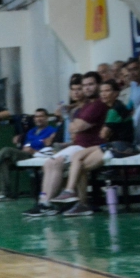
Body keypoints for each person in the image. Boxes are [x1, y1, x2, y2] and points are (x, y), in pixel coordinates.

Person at [25, 72, 108, 217]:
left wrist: (75, 124)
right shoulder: (84, 107)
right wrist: (74, 125)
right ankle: (44, 201)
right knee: (48, 163)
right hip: (77, 145)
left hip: (87, 147)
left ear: (98, 85)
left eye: (91, 84)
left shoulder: (98, 105)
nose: (87, 88)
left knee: (56, 162)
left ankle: (48, 203)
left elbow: (77, 127)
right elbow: (73, 128)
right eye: (85, 85)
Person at [45, 80, 129, 216]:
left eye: (107, 91)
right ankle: (80, 202)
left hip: (120, 146)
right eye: (102, 91)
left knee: (79, 162)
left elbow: (104, 134)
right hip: (109, 145)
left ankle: (71, 193)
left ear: (116, 93)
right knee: (79, 162)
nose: (103, 94)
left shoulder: (115, 109)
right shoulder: (109, 108)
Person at [0, 108, 56, 201]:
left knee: (6, 150)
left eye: (41, 116)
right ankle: (5, 193)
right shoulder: (31, 131)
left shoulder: (52, 131)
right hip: (24, 155)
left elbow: (51, 149)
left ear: (47, 118)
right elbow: (25, 145)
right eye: (36, 117)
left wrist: (34, 151)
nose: (38, 119)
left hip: (37, 156)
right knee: (4, 161)